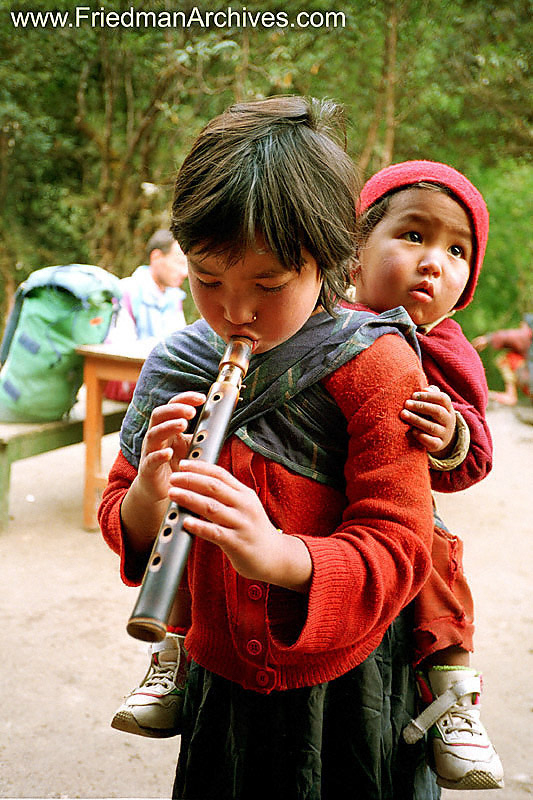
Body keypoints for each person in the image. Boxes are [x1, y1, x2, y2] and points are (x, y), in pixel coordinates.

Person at [99, 96, 439, 799]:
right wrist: (145, 497)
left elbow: (402, 546)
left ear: (327, 260)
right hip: (221, 694)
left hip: (351, 693)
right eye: (207, 279)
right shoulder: (178, 361)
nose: (233, 310)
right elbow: (121, 513)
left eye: (267, 283)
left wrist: (283, 555)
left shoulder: (374, 366)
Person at [345, 160, 504, 790]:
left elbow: (477, 450)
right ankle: (177, 650)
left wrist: (448, 436)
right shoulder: (319, 320)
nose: (433, 260)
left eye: (456, 250)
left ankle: (452, 698)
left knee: (435, 552)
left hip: (397, 505)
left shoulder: (447, 349)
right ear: (355, 249)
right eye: (413, 236)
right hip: (312, 494)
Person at [104, 230, 189, 402]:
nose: (185, 272)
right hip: (127, 383)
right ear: (156, 257)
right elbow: (121, 347)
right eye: (179, 263)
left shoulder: (174, 297)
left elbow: (181, 343)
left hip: (160, 381)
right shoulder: (126, 291)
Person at [473, 317, 533, 406]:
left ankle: (510, 394)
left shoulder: (527, 334)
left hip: (529, 380)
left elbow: (514, 336)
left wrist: (488, 339)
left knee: (508, 358)